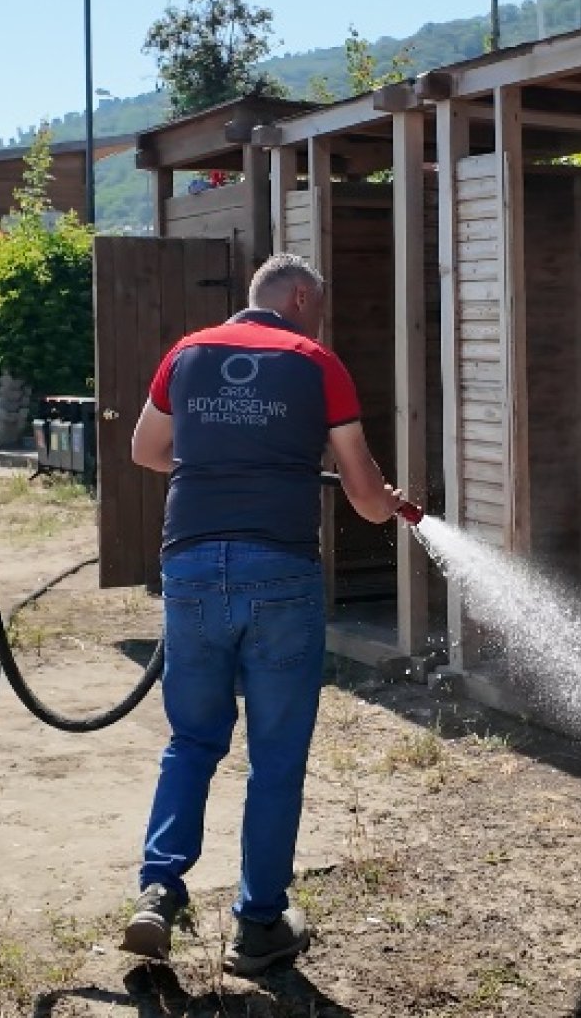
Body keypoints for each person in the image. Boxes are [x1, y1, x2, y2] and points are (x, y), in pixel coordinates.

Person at [121, 252, 408, 976]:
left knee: (192, 740)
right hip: (280, 569)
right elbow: (364, 493)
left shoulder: (187, 353)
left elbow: (146, 450)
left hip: (191, 566)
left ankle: (158, 890)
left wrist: (220, 461)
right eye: (320, 305)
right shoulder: (316, 362)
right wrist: (389, 503)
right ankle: (258, 926)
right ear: (301, 296)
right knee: (275, 755)